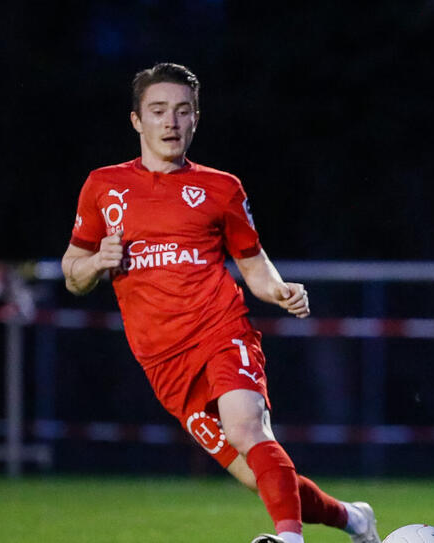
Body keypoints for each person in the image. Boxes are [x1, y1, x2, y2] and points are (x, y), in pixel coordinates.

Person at [61, 63, 380, 543]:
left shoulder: (221, 188)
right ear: (136, 120)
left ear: (196, 119)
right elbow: (72, 274)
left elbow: (254, 267)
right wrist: (95, 263)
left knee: (247, 426)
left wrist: (281, 291)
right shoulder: (103, 187)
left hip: (220, 329)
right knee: (261, 475)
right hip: (162, 360)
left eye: (182, 111)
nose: (171, 122)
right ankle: (354, 520)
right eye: (159, 111)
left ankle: (288, 539)